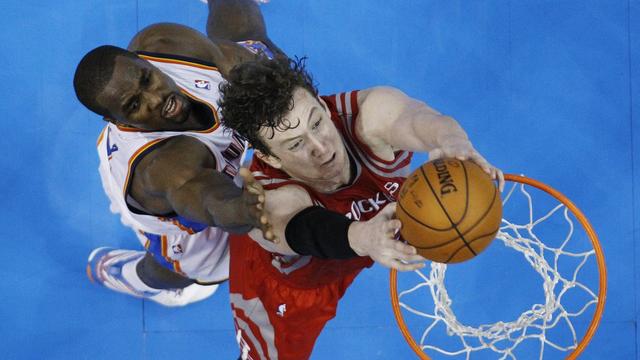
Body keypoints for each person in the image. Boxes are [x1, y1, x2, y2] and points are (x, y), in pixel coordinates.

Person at [219, 57, 504, 359]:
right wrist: (365, 238)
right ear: (272, 158)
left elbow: (418, 118)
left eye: (316, 122)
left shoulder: (367, 116)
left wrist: (454, 141)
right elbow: (304, 228)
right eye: (295, 145)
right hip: (292, 282)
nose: (320, 146)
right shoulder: (267, 198)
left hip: (372, 234)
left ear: (322, 104)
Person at [74, 0, 280, 306]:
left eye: (147, 79)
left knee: (251, 44)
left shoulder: (162, 43)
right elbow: (209, 200)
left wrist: (301, 98)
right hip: (183, 222)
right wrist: (244, 210)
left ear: (145, 61)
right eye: (135, 105)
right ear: (117, 121)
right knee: (180, 272)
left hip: (221, 165)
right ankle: (138, 278)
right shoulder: (164, 166)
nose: (157, 99)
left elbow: (250, 60)